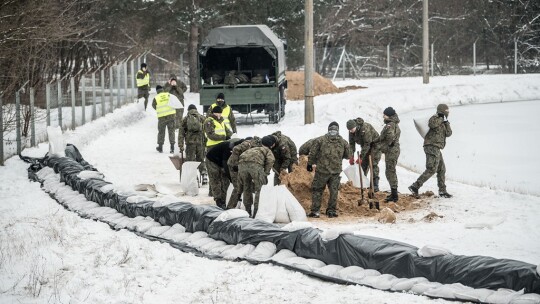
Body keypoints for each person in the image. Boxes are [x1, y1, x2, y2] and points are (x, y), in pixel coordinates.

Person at [409, 104, 453, 198]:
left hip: (436, 147)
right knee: (432, 169)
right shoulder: (434, 117)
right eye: (447, 110)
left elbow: (449, 133)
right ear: (442, 111)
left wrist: (446, 122)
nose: (448, 112)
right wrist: (441, 118)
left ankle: (442, 191)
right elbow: (432, 124)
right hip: (431, 146)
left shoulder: (443, 121)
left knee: (441, 169)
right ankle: (415, 186)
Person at [307, 122, 350, 218]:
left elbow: (313, 153)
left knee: (317, 190)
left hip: (322, 171)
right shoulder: (343, 142)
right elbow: (348, 155)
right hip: (335, 171)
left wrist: (310, 163)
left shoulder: (320, 140)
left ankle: (315, 211)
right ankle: (331, 211)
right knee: (334, 191)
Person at [237, 136, 275, 218]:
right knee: (259, 189)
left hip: (241, 165)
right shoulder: (266, 150)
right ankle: (256, 212)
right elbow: (271, 160)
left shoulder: (250, 149)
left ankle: (247, 212)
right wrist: (266, 173)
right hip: (255, 164)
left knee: (246, 188)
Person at [206, 138, 245, 209]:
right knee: (216, 179)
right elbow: (225, 164)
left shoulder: (240, 149)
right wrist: (231, 178)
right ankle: (218, 200)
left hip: (221, 161)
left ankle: (223, 199)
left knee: (225, 181)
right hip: (212, 160)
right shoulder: (229, 148)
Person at [346, 117, 382, 192]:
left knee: (373, 164)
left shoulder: (365, 128)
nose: (351, 131)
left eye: (352, 129)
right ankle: (362, 183)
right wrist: (351, 156)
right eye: (349, 130)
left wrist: (361, 157)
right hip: (365, 146)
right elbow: (351, 144)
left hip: (375, 145)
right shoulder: (351, 132)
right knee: (363, 165)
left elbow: (367, 144)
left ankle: (375, 185)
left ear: (355, 126)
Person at [227, 136, 261, 209]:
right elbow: (236, 149)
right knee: (238, 187)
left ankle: (248, 206)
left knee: (248, 185)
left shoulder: (257, 147)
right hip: (234, 166)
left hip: (243, 165)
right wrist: (235, 164)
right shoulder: (247, 144)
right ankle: (230, 207)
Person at [178, 104, 206, 181]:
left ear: (188, 110)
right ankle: (204, 174)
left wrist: (181, 145)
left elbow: (181, 133)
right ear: (196, 109)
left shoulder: (185, 119)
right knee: (200, 159)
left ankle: (194, 177)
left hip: (190, 143)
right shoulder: (201, 118)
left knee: (190, 160)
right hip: (200, 142)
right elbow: (207, 129)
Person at [378, 107, 401, 202]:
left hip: (391, 151)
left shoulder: (390, 125)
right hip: (393, 150)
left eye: (385, 114)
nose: (383, 116)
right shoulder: (394, 124)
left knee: (390, 171)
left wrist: (389, 144)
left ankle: (394, 195)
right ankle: (393, 193)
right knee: (391, 171)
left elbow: (390, 136)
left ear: (389, 115)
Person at [152, 85, 175, 153]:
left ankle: (160, 147)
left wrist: (159, 109)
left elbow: (153, 105)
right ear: (162, 89)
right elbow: (174, 102)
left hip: (162, 117)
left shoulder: (156, 97)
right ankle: (172, 148)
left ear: (157, 91)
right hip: (171, 116)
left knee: (161, 132)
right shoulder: (168, 95)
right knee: (171, 131)